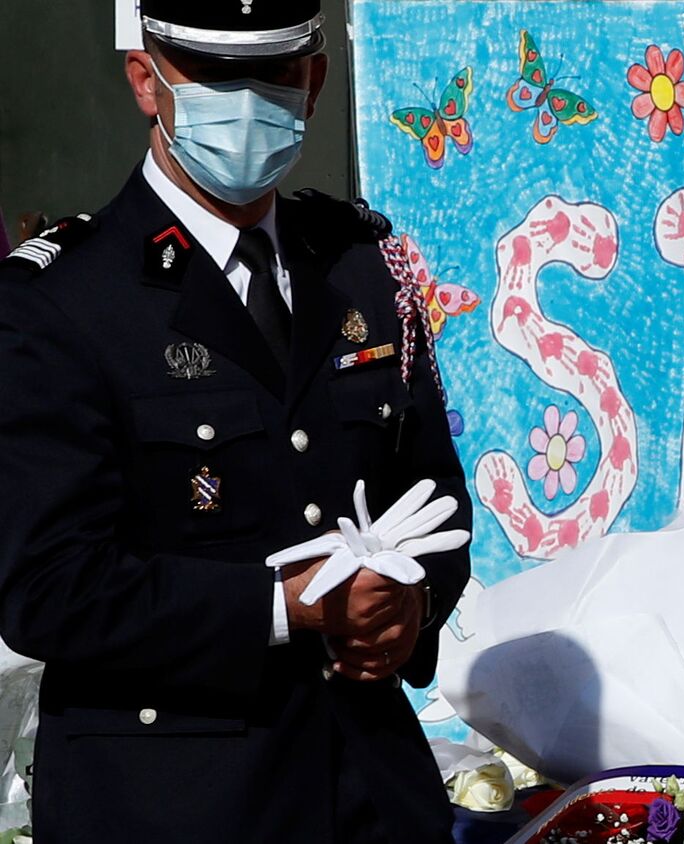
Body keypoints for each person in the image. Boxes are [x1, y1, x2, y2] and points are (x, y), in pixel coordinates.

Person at [0, 1, 471, 841]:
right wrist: (290, 609)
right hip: (173, 804)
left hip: (370, 792)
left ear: (314, 80)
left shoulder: (362, 267)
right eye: (216, 78)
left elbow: (435, 500)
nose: (248, 102)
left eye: (276, 75)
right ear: (147, 82)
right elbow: (48, 588)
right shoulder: (61, 303)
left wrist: (412, 606)